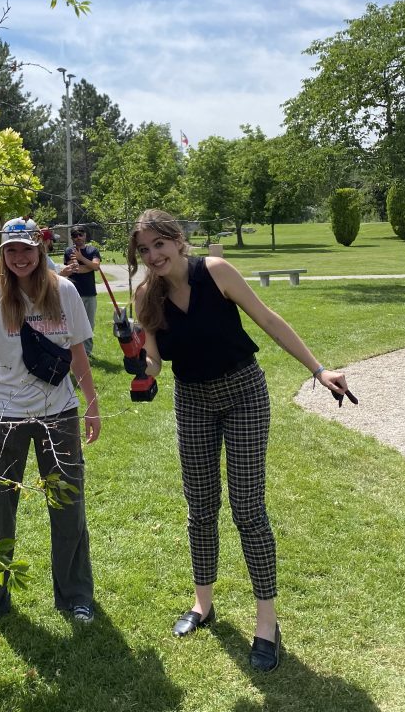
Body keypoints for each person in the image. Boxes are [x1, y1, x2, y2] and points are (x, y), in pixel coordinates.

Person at [127, 210, 349, 673]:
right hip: (192, 402)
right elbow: (153, 365)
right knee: (201, 507)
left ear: (177, 240)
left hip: (243, 392)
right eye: (144, 250)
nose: (153, 256)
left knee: (248, 509)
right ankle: (203, 604)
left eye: (158, 245)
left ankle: (266, 622)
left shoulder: (216, 271)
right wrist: (134, 357)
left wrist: (318, 369)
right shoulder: (145, 293)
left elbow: (268, 319)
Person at [0, 217, 101, 627]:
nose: (19, 257)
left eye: (26, 249)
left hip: (58, 414)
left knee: (68, 505)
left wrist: (92, 404)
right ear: (2, 254)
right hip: (5, 414)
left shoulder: (64, 290)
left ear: (39, 249)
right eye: (11, 250)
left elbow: (77, 352)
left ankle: (76, 596)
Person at [63, 225, 101, 354]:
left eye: (80, 234)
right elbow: (74, 269)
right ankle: (72, 351)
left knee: (89, 325)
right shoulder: (69, 251)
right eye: (75, 235)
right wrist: (88, 266)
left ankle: (87, 352)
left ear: (85, 235)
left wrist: (81, 259)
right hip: (74, 293)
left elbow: (96, 266)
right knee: (72, 324)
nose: (78, 237)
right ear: (72, 238)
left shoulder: (93, 250)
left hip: (90, 293)